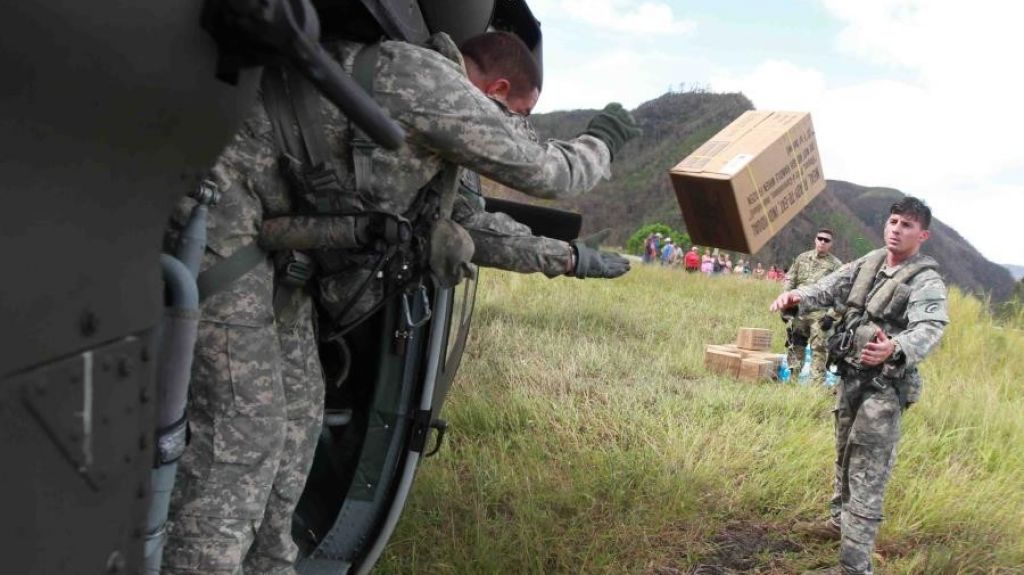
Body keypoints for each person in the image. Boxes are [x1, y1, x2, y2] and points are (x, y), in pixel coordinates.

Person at [164, 29, 640, 575]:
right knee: (243, 435)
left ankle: (268, 565)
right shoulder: (428, 81)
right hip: (227, 204)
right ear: (497, 89)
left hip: (274, 230)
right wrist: (602, 141)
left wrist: (569, 259)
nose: (516, 130)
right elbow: (550, 173)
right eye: (519, 116)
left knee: (298, 417)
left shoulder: (437, 135)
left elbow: (469, 225)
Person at [770, 197, 949, 575]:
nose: (896, 229)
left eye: (907, 225)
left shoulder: (925, 280)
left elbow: (931, 328)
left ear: (923, 235)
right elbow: (828, 287)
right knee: (844, 457)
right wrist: (797, 297)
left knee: (866, 474)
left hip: (884, 389)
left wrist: (895, 347)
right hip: (850, 378)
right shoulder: (871, 261)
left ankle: (854, 567)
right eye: (894, 221)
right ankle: (839, 523)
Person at [782, 228, 843, 383]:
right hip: (799, 311)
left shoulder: (836, 266)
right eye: (820, 238)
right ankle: (792, 380)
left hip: (820, 314)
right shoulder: (802, 258)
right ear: (815, 240)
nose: (822, 242)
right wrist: (786, 303)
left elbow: (841, 293)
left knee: (819, 349)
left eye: (826, 240)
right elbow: (790, 279)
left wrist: (831, 316)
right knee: (796, 344)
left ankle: (816, 386)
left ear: (831, 244)